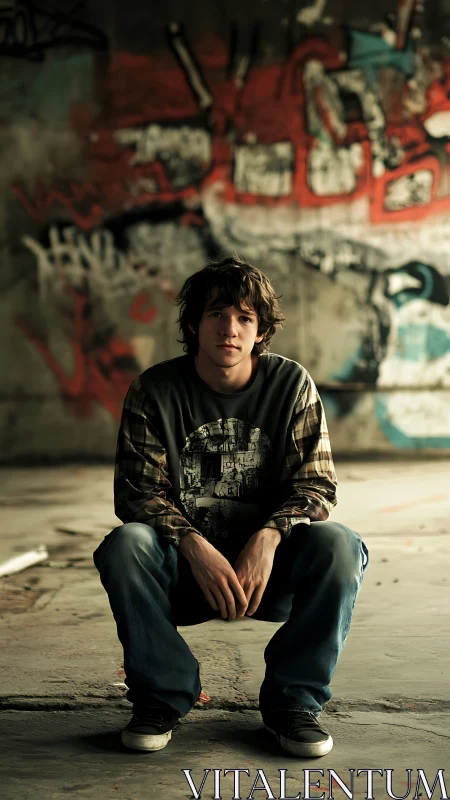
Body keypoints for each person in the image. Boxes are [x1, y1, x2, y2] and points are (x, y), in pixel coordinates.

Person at [93, 256, 369, 758]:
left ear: (261, 330)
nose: (230, 328)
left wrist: (268, 537)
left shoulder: (291, 385)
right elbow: (138, 491)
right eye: (217, 314)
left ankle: (293, 702)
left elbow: (316, 486)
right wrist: (194, 545)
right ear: (194, 323)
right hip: (183, 574)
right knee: (126, 544)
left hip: (266, 575)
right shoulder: (155, 391)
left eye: (245, 317)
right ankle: (161, 696)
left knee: (341, 545)